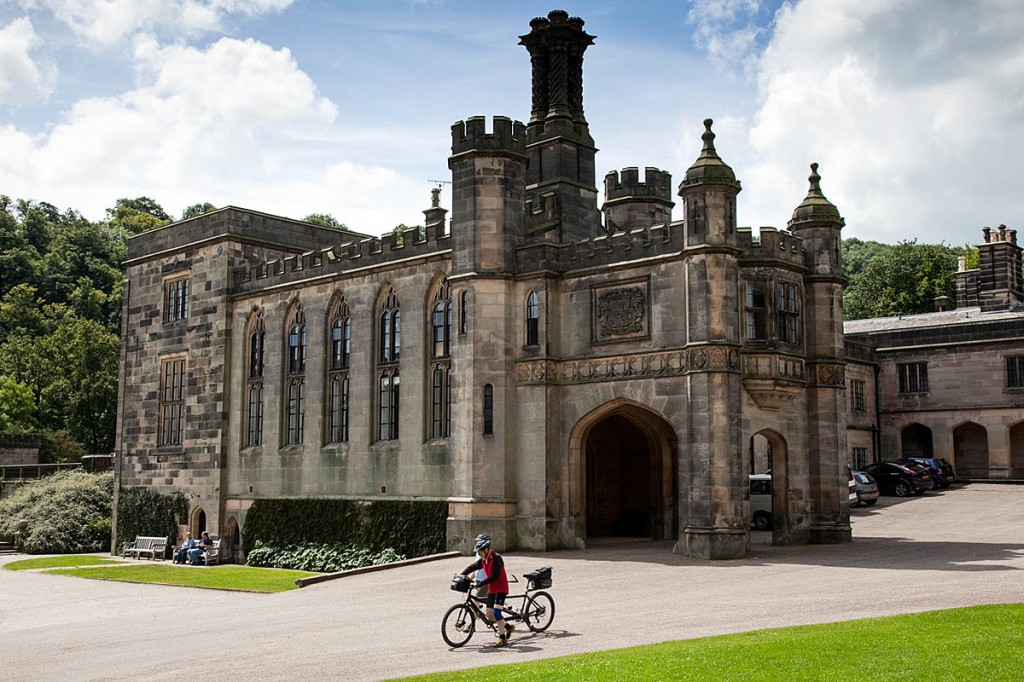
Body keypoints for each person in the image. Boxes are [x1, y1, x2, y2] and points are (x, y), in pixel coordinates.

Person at [460, 533, 514, 647]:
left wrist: (482, 582)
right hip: (492, 589)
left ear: (486, 549)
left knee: (497, 612)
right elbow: (472, 567)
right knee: (489, 615)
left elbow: (495, 575)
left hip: (501, 588)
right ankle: (508, 627)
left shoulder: (496, 558)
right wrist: (461, 575)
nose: (479, 554)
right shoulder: (483, 560)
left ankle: (502, 638)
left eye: (480, 552)